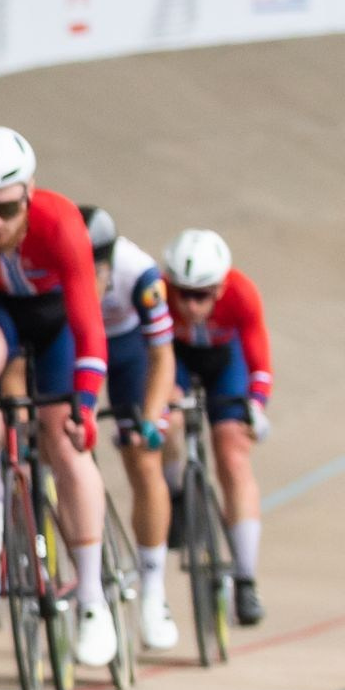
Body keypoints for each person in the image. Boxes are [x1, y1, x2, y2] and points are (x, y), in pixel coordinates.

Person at [0, 127, 117, 666]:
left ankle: (91, 596)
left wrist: (86, 406)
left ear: (29, 193)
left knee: (64, 442)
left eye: (5, 208)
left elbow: (90, 325)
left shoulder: (59, 222)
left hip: (55, 324)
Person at [163, 228, 271, 627]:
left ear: (221, 287)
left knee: (231, 453)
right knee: (170, 417)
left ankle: (245, 578)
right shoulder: (157, 295)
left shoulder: (242, 294)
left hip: (225, 365)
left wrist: (256, 407)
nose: (190, 305)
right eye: (182, 293)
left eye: (202, 295)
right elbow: (147, 356)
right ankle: (176, 495)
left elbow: (259, 361)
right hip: (176, 360)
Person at [84, 204, 179, 649]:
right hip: (78, 341)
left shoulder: (139, 273)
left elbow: (162, 355)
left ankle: (154, 591)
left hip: (128, 351)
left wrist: (152, 416)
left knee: (143, 458)